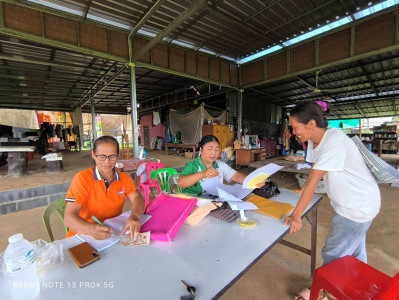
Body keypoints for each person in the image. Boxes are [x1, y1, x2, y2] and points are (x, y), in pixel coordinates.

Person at [284, 101, 380, 267]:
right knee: (354, 249)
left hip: (357, 205)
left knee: (333, 254)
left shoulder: (334, 141)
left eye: (294, 127)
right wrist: (303, 189)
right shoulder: (315, 141)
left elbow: (314, 180)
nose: (293, 132)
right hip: (354, 203)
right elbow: (315, 168)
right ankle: (357, 283)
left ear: (311, 124)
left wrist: (296, 216)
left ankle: (323, 292)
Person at [64, 136, 145, 240]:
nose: (107, 162)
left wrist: (135, 216)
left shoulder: (124, 178)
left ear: (118, 155)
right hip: (82, 236)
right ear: (94, 154)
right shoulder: (82, 179)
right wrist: (92, 230)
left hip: (111, 233)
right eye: (102, 156)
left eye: (112, 156)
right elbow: (69, 218)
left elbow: (137, 198)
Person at [178, 135, 261, 195]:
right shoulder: (192, 165)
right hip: (193, 202)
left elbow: (236, 176)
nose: (213, 153)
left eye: (216, 150)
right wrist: (202, 174)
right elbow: (181, 183)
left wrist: (253, 181)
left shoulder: (220, 165)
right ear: (201, 149)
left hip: (213, 200)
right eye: (209, 149)